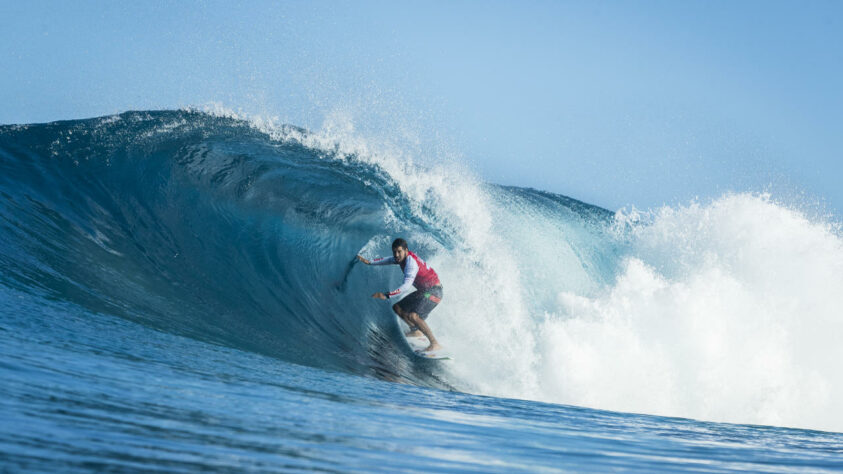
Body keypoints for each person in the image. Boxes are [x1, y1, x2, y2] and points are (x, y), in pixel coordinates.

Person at [357, 238, 443, 353]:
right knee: (398, 308)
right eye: (394, 252)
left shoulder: (411, 264)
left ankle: (434, 343)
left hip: (434, 292)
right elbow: (388, 260)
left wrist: (387, 295)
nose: (396, 255)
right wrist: (369, 262)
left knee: (413, 316)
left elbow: (406, 286)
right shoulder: (401, 258)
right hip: (425, 291)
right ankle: (415, 331)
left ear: (406, 250)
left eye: (399, 252)